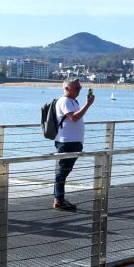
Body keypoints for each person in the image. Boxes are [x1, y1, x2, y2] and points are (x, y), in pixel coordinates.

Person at [51, 78, 96, 211]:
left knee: (65, 171)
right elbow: (74, 117)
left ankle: (59, 198)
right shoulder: (64, 101)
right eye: (77, 88)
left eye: (80, 87)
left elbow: (75, 118)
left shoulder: (73, 101)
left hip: (73, 142)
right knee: (62, 172)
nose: (79, 90)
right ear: (67, 89)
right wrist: (88, 104)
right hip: (66, 142)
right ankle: (58, 200)